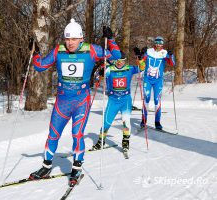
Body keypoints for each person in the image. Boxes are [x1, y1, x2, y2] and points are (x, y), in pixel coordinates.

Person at [28, 18, 121, 186]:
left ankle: (76, 169)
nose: (70, 43)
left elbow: (117, 57)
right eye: (67, 39)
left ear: (81, 39)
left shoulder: (91, 50)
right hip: (62, 101)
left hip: (81, 101)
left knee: (77, 134)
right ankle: (46, 166)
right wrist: (34, 54)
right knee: (53, 134)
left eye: (74, 39)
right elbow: (40, 66)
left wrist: (111, 40)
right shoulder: (59, 51)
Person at [91, 52, 144, 155]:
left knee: (126, 122)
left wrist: (141, 59)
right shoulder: (109, 69)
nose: (119, 63)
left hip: (125, 100)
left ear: (125, 61)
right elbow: (98, 77)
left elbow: (142, 68)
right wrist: (100, 72)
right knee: (106, 122)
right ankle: (101, 142)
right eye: (117, 61)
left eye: (122, 61)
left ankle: (125, 143)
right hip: (113, 100)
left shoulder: (129, 68)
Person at [135, 36, 175, 130]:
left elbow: (172, 64)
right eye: (157, 43)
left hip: (158, 80)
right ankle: (143, 120)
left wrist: (171, 55)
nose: (158, 45)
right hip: (147, 79)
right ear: (154, 43)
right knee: (146, 99)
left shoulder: (164, 53)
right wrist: (140, 55)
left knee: (157, 100)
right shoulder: (149, 51)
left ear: (162, 44)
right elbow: (140, 62)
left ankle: (157, 122)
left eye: (160, 43)